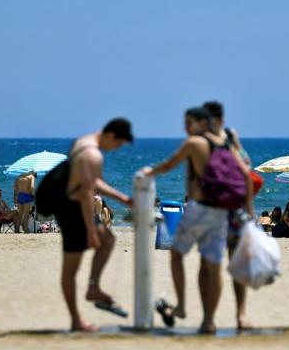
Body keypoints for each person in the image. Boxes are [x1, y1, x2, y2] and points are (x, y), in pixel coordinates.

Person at [144, 107, 253, 334]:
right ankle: (209, 321)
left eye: (189, 123)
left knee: (176, 254)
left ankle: (182, 306)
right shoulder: (227, 143)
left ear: (203, 122)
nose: (186, 127)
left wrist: (147, 173)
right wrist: (250, 208)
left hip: (199, 209)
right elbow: (246, 171)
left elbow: (167, 165)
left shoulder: (195, 143)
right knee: (214, 267)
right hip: (221, 212)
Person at [54, 118, 133, 332]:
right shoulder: (93, 154)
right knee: (71, 267)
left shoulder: (83, 142)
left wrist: (122, 198)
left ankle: (93, 288)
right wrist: (90, 230)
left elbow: (91, 181)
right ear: (111, 136)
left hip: (70, 204)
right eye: (118, 145)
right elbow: (88, 192)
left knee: (108, 239)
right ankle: (77, 319)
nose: (115, 150)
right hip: (72, 210)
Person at [203, 100, 257, 330]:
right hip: (230, 211)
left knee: (221, 265)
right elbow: (248, 169)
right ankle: (228, 316)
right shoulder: (220, 141)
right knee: (217, 266)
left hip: (225, 212)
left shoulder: (224, 142)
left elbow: (246, 170)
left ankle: (219, 317)